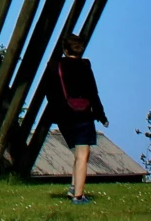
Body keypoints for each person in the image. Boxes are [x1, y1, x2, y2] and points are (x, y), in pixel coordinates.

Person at [44, 33, 109, 203]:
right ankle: (78, 197)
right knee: (82, 156)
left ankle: (73, 188)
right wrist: (101, 116)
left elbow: (49, 92)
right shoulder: (85, 66)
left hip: (63, 117)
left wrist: (57, 112)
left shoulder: (54, 66)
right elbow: (93, 94)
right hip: (83, 115)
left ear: (65, 49)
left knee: (77, 154)